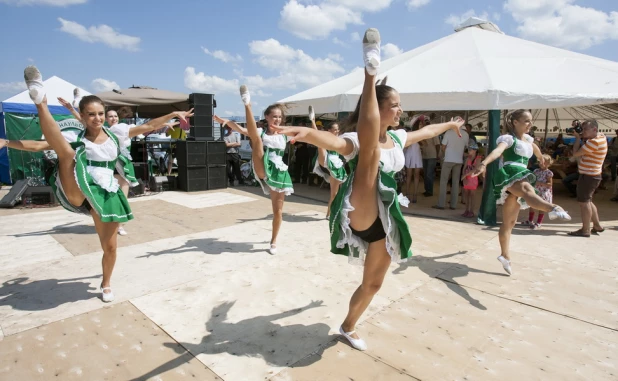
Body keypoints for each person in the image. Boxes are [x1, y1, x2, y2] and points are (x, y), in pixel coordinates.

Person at [271, 28, 465, 351]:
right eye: (396, 105)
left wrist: (450, 125)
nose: (401, 111)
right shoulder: (359, 140)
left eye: (401, 106)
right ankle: (369, 70)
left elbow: (427, 130)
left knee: (373, 284)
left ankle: (348, 326)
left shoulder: (400, 137)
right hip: (360, 205)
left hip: (385, 220)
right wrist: (306, 132)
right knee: (370, 156)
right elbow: (332, 141)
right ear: (379, 107)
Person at [21, 65, 193, 302]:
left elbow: (149, 126)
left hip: (106, 191)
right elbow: (40, 145)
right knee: (67, 153)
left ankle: (106, 282)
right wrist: (7, 142)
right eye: (91, 114)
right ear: (81, 116)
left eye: (101, 113)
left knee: (110, 248)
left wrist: (174, 115)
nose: (98, 118)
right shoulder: (76, 136)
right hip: (79, 186)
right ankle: (39, 99)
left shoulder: (117, 133)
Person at [471, 109, 571, 276]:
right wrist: (484, 163)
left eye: (530, 121)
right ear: (515, 122)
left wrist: (542, 158)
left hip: (522, 172)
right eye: (526, 121)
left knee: (508, 223)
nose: (530, 124)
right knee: (527, 189)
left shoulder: (529, 141)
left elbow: (539, 153)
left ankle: (505, 256)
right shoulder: (508, 139)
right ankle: (554, 208)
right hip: (510, 172)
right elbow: (497, 152)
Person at [213, 95, 293, 255]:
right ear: (267, 117)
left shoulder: (286, 133)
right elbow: (241, 129)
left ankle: (274, 241)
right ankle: (247, 103)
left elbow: (306, 135)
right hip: (262, 164)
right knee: (255, 138)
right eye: (274, 116)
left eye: (279, 116)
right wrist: (223, 121)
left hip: (279, 173)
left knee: (278, 211)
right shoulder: (261, 131)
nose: (277, 119)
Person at [568, 119, 608, 237]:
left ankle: (585, 230)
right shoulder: (601, 137)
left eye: (585, 129)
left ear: (594, 130)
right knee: (588, 201)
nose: (583, 131)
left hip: (588, 176)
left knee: (584, 203)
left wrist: (577, 138)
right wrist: (581, 125)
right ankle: (597, 225)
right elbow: (591, 129)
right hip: (593, 175)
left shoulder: (593, 142)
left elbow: (575, 154)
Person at [308, 108, 347, 218]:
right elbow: (316, 134)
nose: (337, 131)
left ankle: (330, 213)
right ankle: (331, 214)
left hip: (336, 164)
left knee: (336, 193)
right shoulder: (325, 136)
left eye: (338, 129)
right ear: (329, 130)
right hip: (326, 159)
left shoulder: (340, 138)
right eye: (335, 129)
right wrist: (313, 121)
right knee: (320, 143)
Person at [435, 120, 468, 210]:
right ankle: (453, 205)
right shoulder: (465, 134)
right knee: (456, 182)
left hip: (448, 159)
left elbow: (443, 147)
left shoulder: (449, 133)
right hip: (459, 160)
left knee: (443, 182)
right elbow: (465, 147)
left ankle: (441, 204)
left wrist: (446, 154)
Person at [522, 154, 554, 230]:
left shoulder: (548, 173)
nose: (541, 164)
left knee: (541, 207)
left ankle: (539, 222)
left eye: (543, 162)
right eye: (540, 162)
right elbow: (533, 179)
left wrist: (540, 183)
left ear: (548, 163)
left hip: (543, 192)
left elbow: (550, 184)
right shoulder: (536, 171)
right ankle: (530, 220)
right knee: (532, 205)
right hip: (536, 190)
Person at [403, 116, 424, 203]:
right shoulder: (410, 133)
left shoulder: (422, 134)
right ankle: (407, 193)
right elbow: (406, 145)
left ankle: (415, 194)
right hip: (410, 155)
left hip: (417, 155)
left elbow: (425, 144)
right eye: (420, 124)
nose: (421, 125)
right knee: (409, 175)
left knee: (416, 175)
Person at [419, 117, 440, 196]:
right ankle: (427, 189)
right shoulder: (422, 133)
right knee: (426, 174)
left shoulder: (434, 133)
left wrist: (437, 154)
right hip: (425, 156)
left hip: (432, 156)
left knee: (429, 174)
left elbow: (437, 145)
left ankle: (429, 191)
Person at [460, 142, 482, 218]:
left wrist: (465, 175)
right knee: (467, 195)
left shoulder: (478, 158)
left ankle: (471, 211)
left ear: (475, 150)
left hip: (473, 178)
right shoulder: (468, 158)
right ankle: (466, 210)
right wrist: (464, 177)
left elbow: (476, 169)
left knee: (472, 195)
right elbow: (464, 167)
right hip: (467, 178)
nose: (469, 150)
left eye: (470, 149)